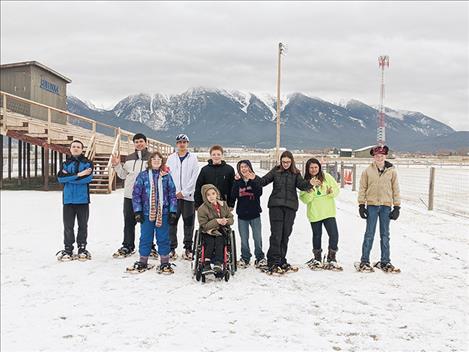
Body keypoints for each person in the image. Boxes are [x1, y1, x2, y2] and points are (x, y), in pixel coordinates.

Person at [258, 151, 314, 274]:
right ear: (280, 161)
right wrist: (252, 177)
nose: (286, 164)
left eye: (288, 162)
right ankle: (273, 261)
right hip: (276, 206)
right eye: (283, 162)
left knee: (285, 234)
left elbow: (302, 185)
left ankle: (282, 260)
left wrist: (310, 183)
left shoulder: (296, 173)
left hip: (290, 207)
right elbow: (263, 181)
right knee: (276, 234)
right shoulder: (276, 170)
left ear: (292, 161)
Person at [111, 133, 157, 259]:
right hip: (130, 196)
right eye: (136, 142)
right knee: (129, 222)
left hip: (147, 196)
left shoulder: (152, 157)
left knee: (147, 222)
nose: (139, 143)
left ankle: (149, 246)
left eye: (141, 141)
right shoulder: (129, 158)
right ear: (134, 144)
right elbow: (123, 175)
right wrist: (116, 165)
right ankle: (128, 246)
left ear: (146, 142)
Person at [130, 151, 178, 274]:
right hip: (146, 213)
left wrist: (173, 211)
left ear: (162, 162)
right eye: (154, 159)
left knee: (163, 237)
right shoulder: (143, 176)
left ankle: (164, 262)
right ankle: (143, 261)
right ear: (150, 161)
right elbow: (136, 194)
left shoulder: (166, 176)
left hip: (163, 212)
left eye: (159, 159)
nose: (156, 161)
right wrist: (138, 211)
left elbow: (172, 194)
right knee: (146, 237)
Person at [357, 145, 401, 273]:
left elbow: (395, 189)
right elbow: (362, 188)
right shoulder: (367, 171)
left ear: (385, 156)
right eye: (377, 156)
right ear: (373, 157)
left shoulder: (392, 171)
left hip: (386, 207)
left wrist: (397, 206)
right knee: (369, 234)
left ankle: (385, 261)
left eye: (381, 156)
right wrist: (361, 205)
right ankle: (364, 260)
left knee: (385, 235)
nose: (379, 158)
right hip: (371, 206)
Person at [300, 158, 342, 271]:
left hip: (328, 212)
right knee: (317, 236)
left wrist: (330, 193)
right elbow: (304, 199)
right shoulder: (305, 182)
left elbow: (337, 190)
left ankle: (331, 257)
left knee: (334, 235)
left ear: (319, 167)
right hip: (315, 213)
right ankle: (317, 258)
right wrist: (311, 190)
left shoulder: (327, 177)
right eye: (311, 168)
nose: (314, 170)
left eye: (316, 167)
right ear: (308, 169)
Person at [56, 140, 94, 261]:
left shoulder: (88, 163)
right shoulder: (65, 163)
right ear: (70, 149)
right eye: (74, 147)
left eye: (78, 147)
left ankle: (82, 248)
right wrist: (79, 174)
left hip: (82, 200)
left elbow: (87, 179)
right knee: (68, 226)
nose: (76, 148)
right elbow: (60, 179)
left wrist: (70, 177)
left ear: (82, 149)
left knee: (83, 225)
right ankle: (68, 249)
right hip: (68, 200)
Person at [166, 134, 200, 260]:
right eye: (179, 142)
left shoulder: (193, 158)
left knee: (189, 223)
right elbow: (168, 176)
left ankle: (188, 248)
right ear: (176, 144)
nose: (182, 144)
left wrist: (184, 192)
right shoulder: (171, 158)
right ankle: (171, 248)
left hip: (188, 198)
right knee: (172, 223)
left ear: (188, 144)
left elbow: (194, 177)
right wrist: (174, 192)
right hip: (173, 197)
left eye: (184, 142)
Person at [231, 160, 266, 268]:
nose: (244, 169)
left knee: (257, 237)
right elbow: (233, 196)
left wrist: (253, 179)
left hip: (255, 214)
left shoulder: (255, 179)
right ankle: (245, 257)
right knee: (244, 238)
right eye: (241, 167)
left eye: (246, 166)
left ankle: (260, 257)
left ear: (250, 167)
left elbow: (259, 192)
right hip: (242, 215)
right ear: (239, 169)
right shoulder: (237, 181)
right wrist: (230, 206)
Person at [197, 184, 234, 274]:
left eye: (213, 193)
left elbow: (231, 219)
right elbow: (204, 225)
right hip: (208, 231)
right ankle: (206, 264)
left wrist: (226, 221)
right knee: (210, 242)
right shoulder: (202, 209)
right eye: (208, 195)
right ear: (205, 197)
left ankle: (218, 262)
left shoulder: (223, 204)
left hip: (221, 231)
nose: (211, 196)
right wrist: (216, 221)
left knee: (220, 241)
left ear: (217, 194)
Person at [194, 145, 235, 211]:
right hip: (208, 204)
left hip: (224, 204)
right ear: (210, 156)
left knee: (223, 221)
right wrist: (198, 204)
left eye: (218, 154)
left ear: (222, 155)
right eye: (214, 154)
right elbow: (198, 187)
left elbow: (233, 188)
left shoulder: (229, 169)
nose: (216, 156)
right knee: (210, 221)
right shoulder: (205, 170)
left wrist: (231, 204)